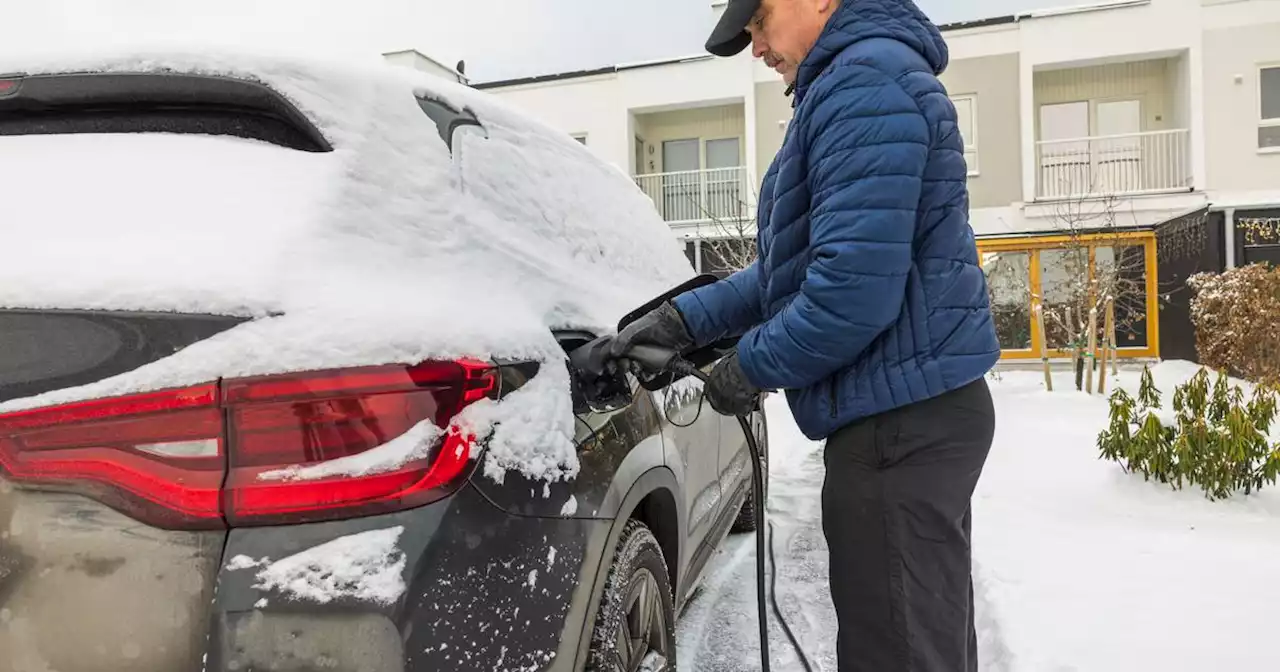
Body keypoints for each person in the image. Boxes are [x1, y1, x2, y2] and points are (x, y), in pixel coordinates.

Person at [610, 0, 1002, 669]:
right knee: (920, 642)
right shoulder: (857, 80)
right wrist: (682, 323)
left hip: (899, 430)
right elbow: (788, 273)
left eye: (758, 20)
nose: (756, 45)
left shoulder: (862, 85)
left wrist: (747, 369)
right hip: (910, 416)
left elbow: (850, 291)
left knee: (899, 652)